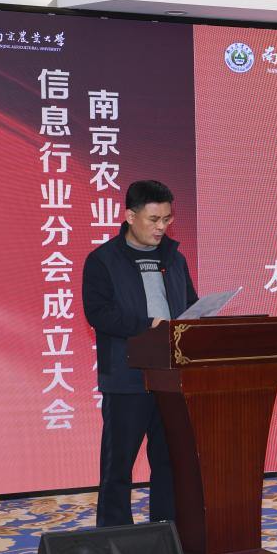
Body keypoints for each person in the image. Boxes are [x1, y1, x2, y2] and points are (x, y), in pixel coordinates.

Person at [82, 179, 198, 527]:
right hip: (126, 376)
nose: (161, 227)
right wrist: (149, 325)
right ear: (130, 216)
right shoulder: (103, 260)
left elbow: (189, 303)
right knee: (118, 466)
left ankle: (167, 532)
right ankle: (114, 536)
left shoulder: (174, 259)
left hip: (171, 376)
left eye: (167, 219)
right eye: (154, 219)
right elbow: (99, 313)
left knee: (169, 461)